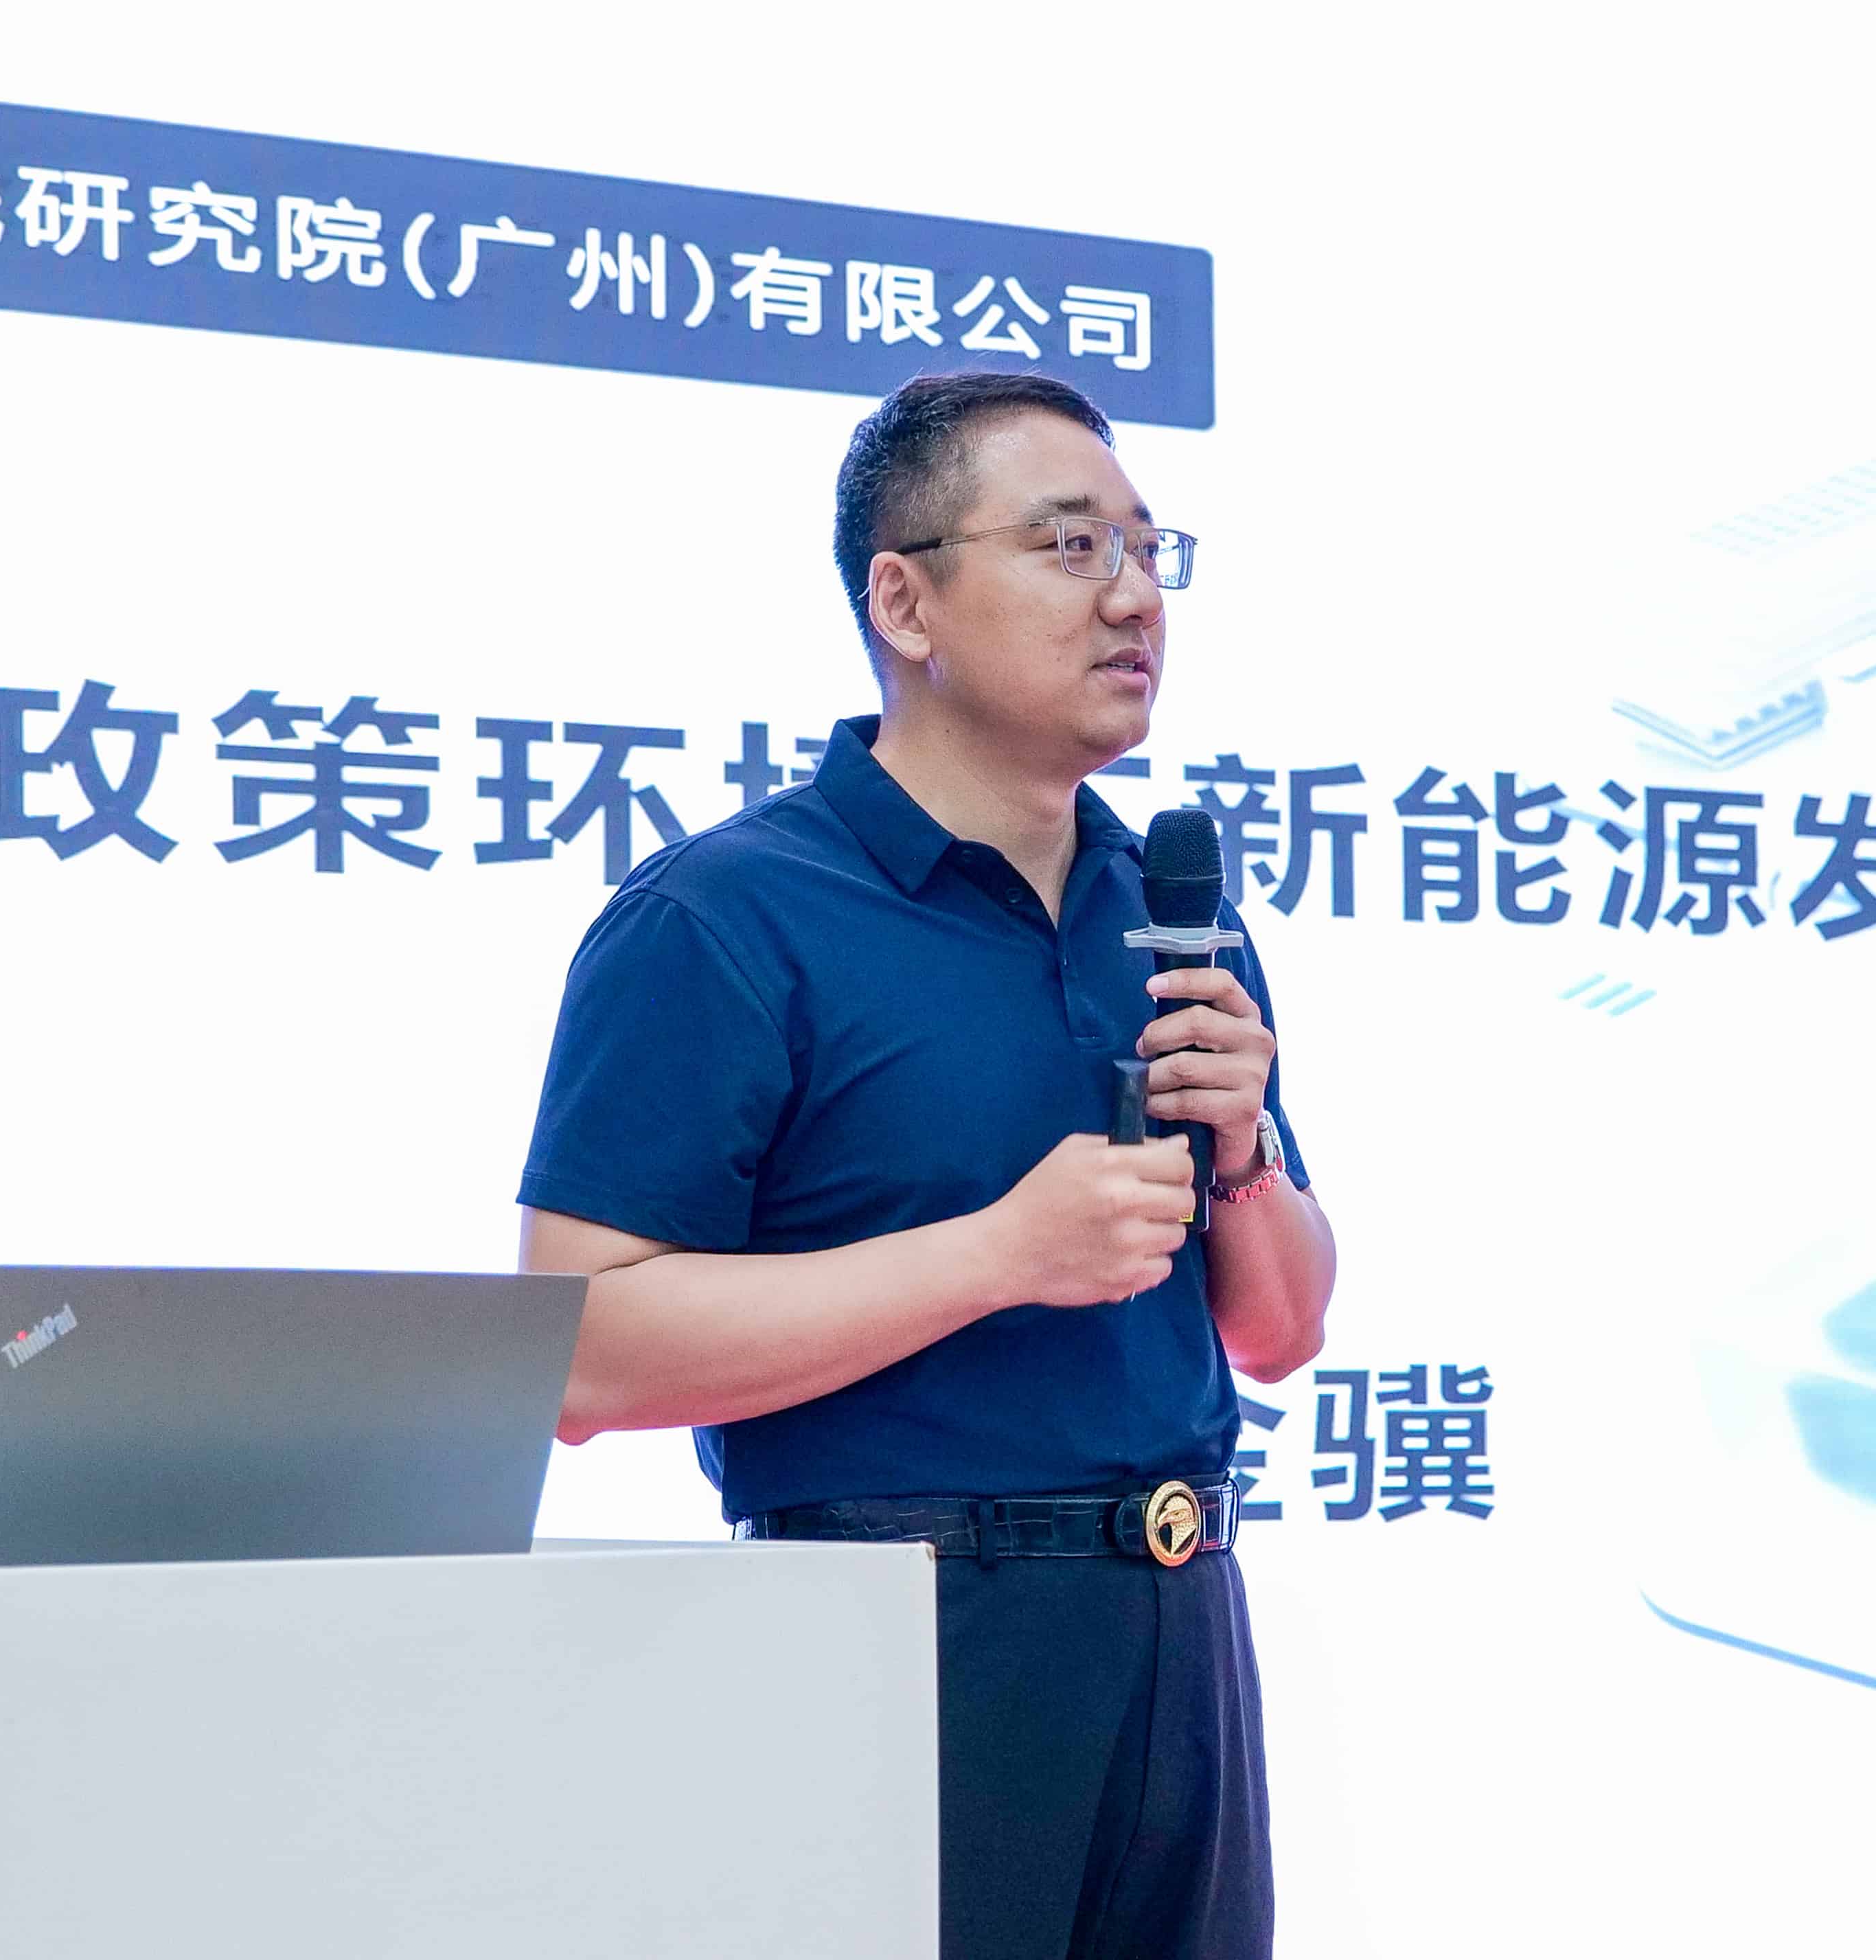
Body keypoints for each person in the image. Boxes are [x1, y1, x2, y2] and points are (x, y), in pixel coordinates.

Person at [516, 370, 1340, 1959]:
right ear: (905, 600)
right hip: (897, 1636)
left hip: (1182, 1623)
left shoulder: (1172, 915)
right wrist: (998, 1254)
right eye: (1072, 545)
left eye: (1150, 549)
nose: (1135, 597)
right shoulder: (727, 917)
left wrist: (1242, 1156)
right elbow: (577, 1349)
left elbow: (1280, 1329)